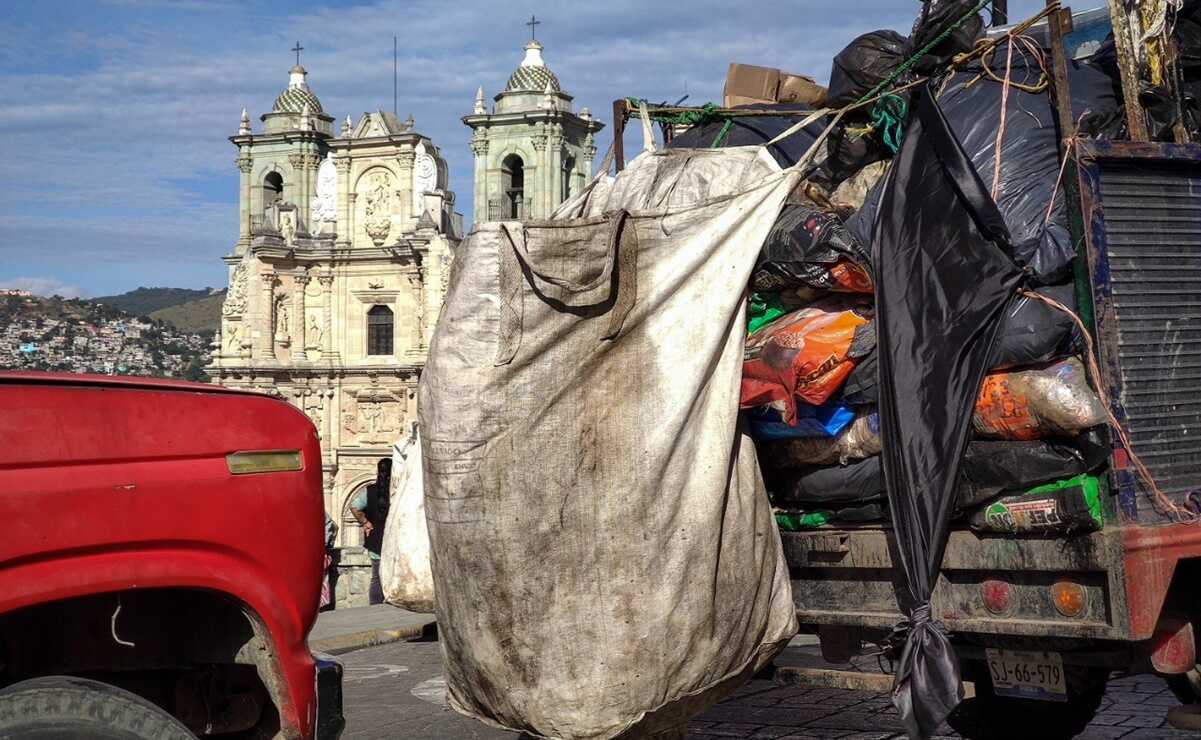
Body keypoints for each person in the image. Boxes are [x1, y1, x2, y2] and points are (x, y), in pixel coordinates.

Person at [349, 458, 393, 604]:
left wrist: (365, 522)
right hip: (393, 541)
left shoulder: (370, 491)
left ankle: (374, 607)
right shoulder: (396, 491)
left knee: (376, 576)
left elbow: (354, 506)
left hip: (375, 541)